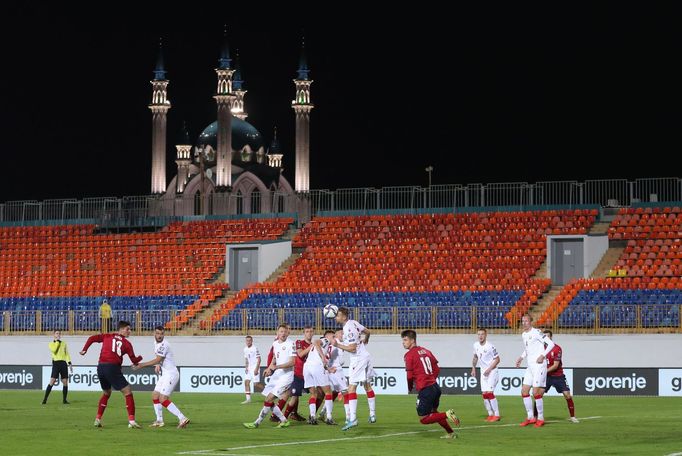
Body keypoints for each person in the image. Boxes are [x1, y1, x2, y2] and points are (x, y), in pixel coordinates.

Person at [79, 320, 143, 428]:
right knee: (128, 392)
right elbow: (134, 360)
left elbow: (92, 338)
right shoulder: (127, 344)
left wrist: (84, 349)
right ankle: (132, 421)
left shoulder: (107, 336)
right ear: (121, 329)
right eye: (128, 329)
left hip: (101, 367)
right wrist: (140, 358)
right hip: (112, 367)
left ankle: (97, 419)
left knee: (106, 393)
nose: (129, 331)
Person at [402, 329, 460, 439]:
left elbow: (409, 376)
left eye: (405, 340)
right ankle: (451, 433)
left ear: (412, 340)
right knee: (434, 412)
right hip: (435, 387)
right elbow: (437, 368)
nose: (403, 342)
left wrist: (410, 388)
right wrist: (431, 379)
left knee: (424, 418)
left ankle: (448, 414)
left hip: (426, 389)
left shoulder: (409, 355)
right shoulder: (426, 351)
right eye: (403, 340)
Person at [131, 326, 190, 429]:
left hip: (171, 374)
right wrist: (158, 364)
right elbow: (160, 358)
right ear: (154, 333)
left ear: (164, 334)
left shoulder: (164, 345)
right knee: (155, 395)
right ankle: (159, 420)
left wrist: (141, 365)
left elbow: (158, 358)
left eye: (161, 334)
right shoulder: (156, 343)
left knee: (163, 399)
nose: (159, 336)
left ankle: (182, 418)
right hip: (165, 374)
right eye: (158, 333)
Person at [243, 324, 295, 429]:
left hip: (286, 376)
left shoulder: (291, 344)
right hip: (277, 375)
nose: (283, 333)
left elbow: (292, 362)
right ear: (277, 333)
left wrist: (276, 367)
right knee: (268, 399)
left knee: (270, 398)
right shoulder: (275, 344)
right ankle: (284, 420)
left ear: (288, 333)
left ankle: (257, 423)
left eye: (285, 331)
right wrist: (269, 368)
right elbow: (275, 358)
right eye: (281, 331)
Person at [332, 306, 373, 431]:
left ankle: (353, 419)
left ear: (343, 317)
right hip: (365, 356)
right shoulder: (353, 323)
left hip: (358, 359)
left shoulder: (348, 328)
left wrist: (338, 344)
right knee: (367, 385)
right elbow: (368, 331)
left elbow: (352, 348)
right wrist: (366, 339)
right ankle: (372, 414)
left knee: (351, 388)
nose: (336, 317)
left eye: (338, 315)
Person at [515, 314, 554, 427]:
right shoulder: (523, 334)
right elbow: (527, 349)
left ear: (531, 322)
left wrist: (542, 355)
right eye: (523, 321)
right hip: (530, 367)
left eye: (526, 321)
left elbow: (551, 344)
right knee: (524, 391)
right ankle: (530, 417)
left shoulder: (536, 332)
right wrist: (521, 357)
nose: (524, 323)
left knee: (536, 393)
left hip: (539, 366)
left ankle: (540, 418)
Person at [543, 330, 579, 423]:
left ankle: (572, 416)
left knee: (567, 395)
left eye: (548, 336)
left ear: (551, 337)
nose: (546, 338)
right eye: (544, 337)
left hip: (558, 376)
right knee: (538, 395)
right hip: (546, 377)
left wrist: (542, 372)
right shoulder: (540, 348)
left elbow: (555, 366)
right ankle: (536, 417)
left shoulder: (557, 348)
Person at [283, 326, 314, 421]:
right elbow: (300, 354)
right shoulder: (299, 343)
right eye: (307, 331)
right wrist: (311, 347)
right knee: (294, 397)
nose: (309, 333)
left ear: (313, 333)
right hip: (299, 374)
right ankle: (284, 417)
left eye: (311, 331)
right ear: (304, 333)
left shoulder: (314, 345)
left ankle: (313, 416)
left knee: (316, 394)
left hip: (310, 375)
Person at [303, 333, 335, 425]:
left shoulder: (323, 347)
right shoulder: (325, 340)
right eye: (333, 337)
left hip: (307, 368)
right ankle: (329, 417)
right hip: (316, 366)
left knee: (313, 394)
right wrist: (323, 356)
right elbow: (316, 342)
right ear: (327, 336)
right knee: (328, 392)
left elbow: (319, 360)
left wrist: (328, 369)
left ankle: (312, 416)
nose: (334, 339)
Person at [471, 328, 501, 421]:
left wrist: (489, 369)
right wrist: (473, 368)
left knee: (490, 393)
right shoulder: (475, 345)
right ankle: (490, 414)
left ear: (486, 335)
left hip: (492, 371)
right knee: (484, 394)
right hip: (483, 372)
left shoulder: (490, 346)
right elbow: (475, 357)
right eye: (479, 334)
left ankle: (497, 415)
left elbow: (497, 359)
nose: (480, 336)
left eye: (482, 334)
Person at [43, 330, 73, 404]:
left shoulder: (64, 343)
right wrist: (57, 342)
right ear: (54, 335)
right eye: (57, 333)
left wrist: (69, 363)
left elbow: (67, 354)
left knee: (65, 382)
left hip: (63, 363)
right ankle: (45, 399)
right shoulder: (51, 344)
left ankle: (64, 400)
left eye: (59, 333)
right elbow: (54, 350)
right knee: (52, 381)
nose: (58, 334)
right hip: (56, 363)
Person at [242, 335, 261, 404]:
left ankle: (269, 392)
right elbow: (246, 359)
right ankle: (248, 399)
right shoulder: (245, 349)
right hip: (249, 368)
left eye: (250, 340)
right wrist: (246, 367)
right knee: (246, 382)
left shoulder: (255, 348)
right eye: (247, 340)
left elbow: (259, 359)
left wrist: (256, 368)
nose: (248, 342)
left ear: (252, 341)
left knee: (256, 384)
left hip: (254, 367)